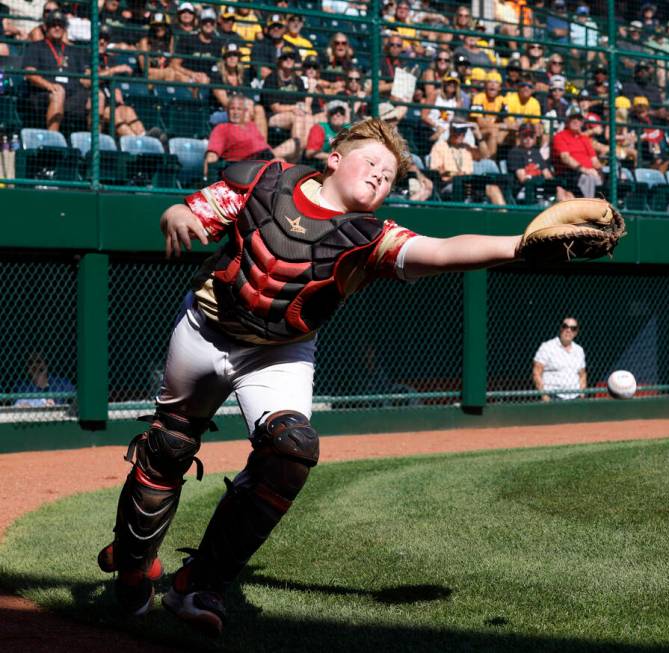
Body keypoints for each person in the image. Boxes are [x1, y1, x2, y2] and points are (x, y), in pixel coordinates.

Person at [97, 117, 530, 635]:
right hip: (205, 326)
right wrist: (173, 213)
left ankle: (200, 585)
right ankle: (132, 563)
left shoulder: (373, 238)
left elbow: (441, 250)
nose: (379, 177)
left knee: (291, 450)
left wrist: (522, 244)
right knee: (167, 447)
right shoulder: (264, 180)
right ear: (333, 160)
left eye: (389, 176)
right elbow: (191, 210)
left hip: (279, 351)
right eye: (372, 162)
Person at [22, 10, 89, 132]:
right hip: (44, 93)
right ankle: (53, 139)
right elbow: (30, 74)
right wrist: (50, 86)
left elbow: (86, 77)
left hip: (73, 95)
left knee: (98, 96)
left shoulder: (75, 51)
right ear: (46, 27)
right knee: (58, 92)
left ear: (65, 29)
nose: (57, 28)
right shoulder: (36, 47)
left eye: (61, 25)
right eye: (53, 24)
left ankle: (93, 145)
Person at [203, 95, 298, 177]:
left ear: (244, 111)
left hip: (265, 157)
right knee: (279, 163)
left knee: (295, 145)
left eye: (239, 109)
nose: (235, 112)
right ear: (227, 111)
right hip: (243, 165)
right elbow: (212, 154)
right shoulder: (222, 128)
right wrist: (209, 174)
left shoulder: (252, 126)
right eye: (232, 108)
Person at [507, 123, 573, 203]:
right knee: (561, 196)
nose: (528, 139)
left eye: (531, 136)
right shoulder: (515, 152)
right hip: (524, 190)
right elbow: (523, 178)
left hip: (542, 188)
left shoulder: (536, 152)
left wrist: (555, 185)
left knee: (568, 195)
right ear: (519, 136)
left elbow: (546, 173)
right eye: (525, 135)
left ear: (535, 137)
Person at [551, 106, 602, 198]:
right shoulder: (560, 136)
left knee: (615, 178)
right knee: (588, 178)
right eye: (572, 118)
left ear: (582, 123)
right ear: (567, 120)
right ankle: (588, 208)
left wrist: (599, 171)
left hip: (590, 173)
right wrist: (585, 170)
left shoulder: (584, 138)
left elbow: (594, 160)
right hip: (571, 173)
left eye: (579, 119)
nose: (576, 121)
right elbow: (565, 158)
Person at [532, 317, 586, 400]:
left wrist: (582, 395)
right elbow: (536, 372)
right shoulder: (547, 347)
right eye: (565, 326)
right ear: (561, 328)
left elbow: (582, 374)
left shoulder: (579, 350)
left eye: (573, 328)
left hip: (575, 397)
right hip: (553, 397)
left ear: (576, 333)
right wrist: (545, 396)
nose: (569, 330)